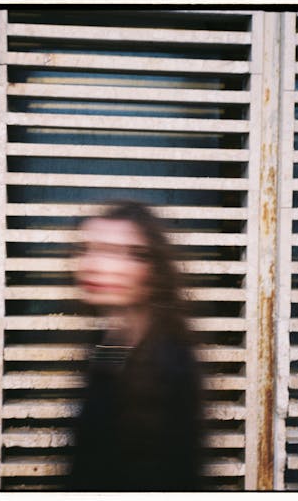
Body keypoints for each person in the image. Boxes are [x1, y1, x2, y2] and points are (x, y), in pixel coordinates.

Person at [67, 200, 204, 491]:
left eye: (113, 252)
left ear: (151, 268)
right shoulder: (112, 341)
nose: (91, 264)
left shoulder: (170, 360)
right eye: (86, 249)